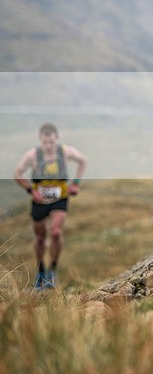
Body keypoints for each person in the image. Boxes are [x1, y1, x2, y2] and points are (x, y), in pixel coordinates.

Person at [13, 123, 87, 290]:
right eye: (45, 142)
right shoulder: (32, 155)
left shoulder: (65, 152)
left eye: (51, 142)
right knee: (39, 237)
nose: (48, 146)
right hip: (39, 201)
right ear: (41, 139)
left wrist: (75, 183)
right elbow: (17, 173)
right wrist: (31, 191)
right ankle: (41, 270)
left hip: (59, 198)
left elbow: (83, 161)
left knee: (55, 232)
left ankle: (52, 270)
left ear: (56, 138)